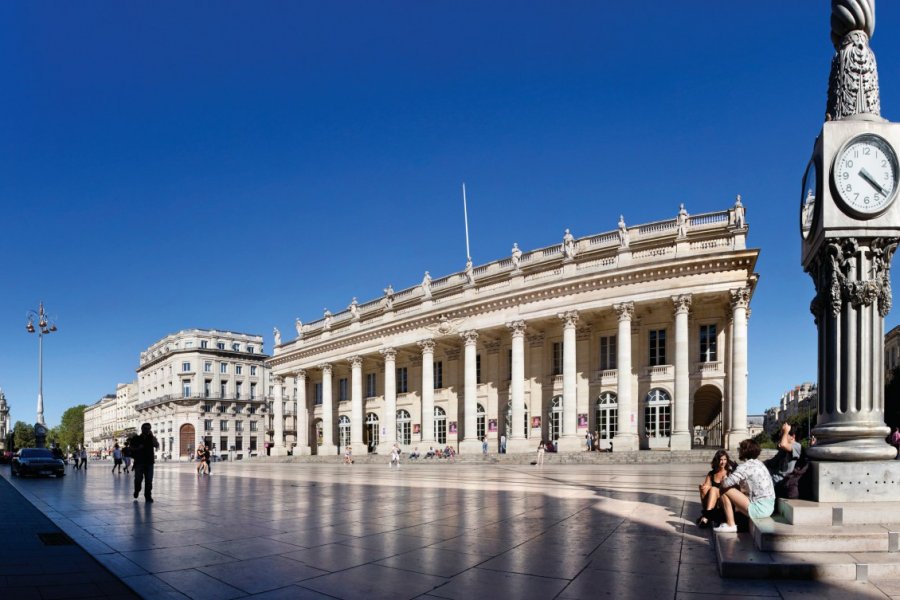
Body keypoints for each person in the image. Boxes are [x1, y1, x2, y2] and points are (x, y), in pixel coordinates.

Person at [714, 439, 776, 533]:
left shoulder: (745, 467)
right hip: (769, 507)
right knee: (733, 489)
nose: (739, 450)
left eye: (740, 449)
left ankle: (730, 524)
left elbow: (726, 483)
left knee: (723, 489)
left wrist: (723, 480)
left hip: (759, 509)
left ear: (744, 451)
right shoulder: (759, 463)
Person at [696, 450, 736, 528]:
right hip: (713, 502)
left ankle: (706, 516)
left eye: (725, 459)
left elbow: (733, 491)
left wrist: (726, 482)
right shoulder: (711, 473)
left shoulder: (730, 473)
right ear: (717, 460)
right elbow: (706, 488)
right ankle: (708, 515)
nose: (723, 462)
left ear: (727, 460)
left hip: (724, 501)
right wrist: (702, 488)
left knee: (713, 489)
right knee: (705, 488)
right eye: (721, 459)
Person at [766, 423, 802, 498]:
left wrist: (785, 431)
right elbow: (772, 462)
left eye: (784, 434)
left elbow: (783, 444)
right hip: (773, 478)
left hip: (781, 481)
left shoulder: (797, 446)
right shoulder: (784, 450)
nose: (782, 436)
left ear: (793, 437)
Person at [131, 423, 159, 503]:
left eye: (149, 428)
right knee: (138, 479)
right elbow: (131, 448)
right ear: (142, 429)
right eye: (146, 428)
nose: (147, 430)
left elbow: (156, 445)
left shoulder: (152, 438)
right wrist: (138, 448)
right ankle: (137, 490)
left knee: (149, 480)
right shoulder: (136, 438)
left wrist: (152, 436)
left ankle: (148, 496)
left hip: (149, 462)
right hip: (139, 462)